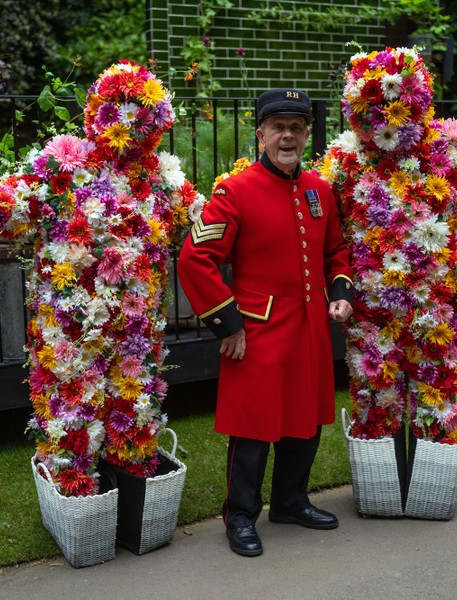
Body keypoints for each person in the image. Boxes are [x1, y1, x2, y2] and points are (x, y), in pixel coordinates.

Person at [177, 89, 354, 557]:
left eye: (297, 128)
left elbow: (335, 252)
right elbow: (195, 259)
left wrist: (339, 293)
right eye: (279, 128)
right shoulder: (234, 192)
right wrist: (228, 324)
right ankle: (240, 517)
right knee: (253, 429)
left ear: (307, 135)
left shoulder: (320, 190)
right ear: (261, 134)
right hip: (255, 333)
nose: (288, 136)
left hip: (310, 331)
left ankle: (291, 501)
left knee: (306, 421)